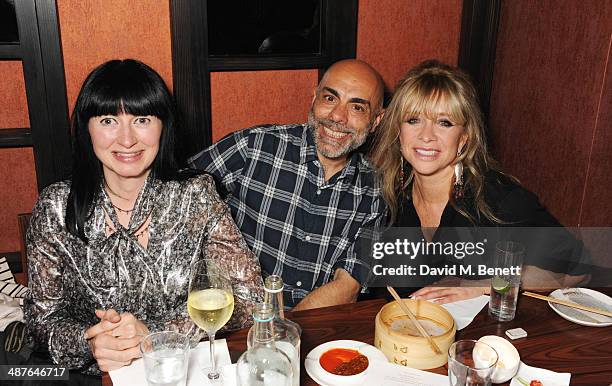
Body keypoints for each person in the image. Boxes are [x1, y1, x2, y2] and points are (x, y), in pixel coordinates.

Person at [23, 59, 264, 376]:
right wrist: (90, 342)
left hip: (179, 370)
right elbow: (39, 321)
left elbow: (252, 299)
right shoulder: (56, 206)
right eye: (108, 121)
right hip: (93, 376)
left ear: (163, 126)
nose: (126, 140)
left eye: (142, 119)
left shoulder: (196, 196)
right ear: (87, 129)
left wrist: (156, 334)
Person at [369, 60, 589, 303]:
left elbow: (576, 271)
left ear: (464, 137)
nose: (426, 136)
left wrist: (483, 286)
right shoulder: (391, 195)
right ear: (398, 131)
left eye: (444, 123)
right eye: (413, 120)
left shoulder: (499, 200)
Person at [189, 59, 386, 310]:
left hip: (313, 328)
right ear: (314, 98)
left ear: (376, 120)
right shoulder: (254, 148)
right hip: (234, 319)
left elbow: (347, 287)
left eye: (357, 108)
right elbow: (175, 195)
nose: (337, 116)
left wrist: (280, 336)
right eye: (329, 99)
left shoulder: (376, 191)